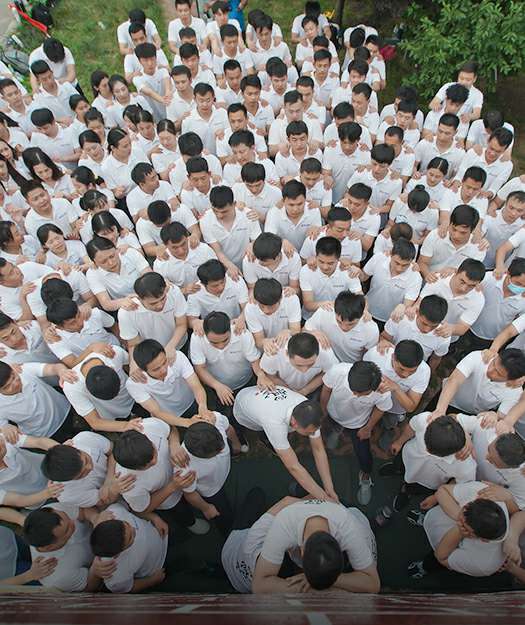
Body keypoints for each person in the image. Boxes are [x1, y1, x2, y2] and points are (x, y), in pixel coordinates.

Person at [252, 499, 380, 593]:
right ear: (301, 551)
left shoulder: (350, 529)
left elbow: (373, 584)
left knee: (366, 534)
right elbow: (258, 585)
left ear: (340, 546)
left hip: (352, 514)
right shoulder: (283, 524)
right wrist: (314, 591)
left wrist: (328, 579)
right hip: (308, 506)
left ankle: (375, 523)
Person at [233, 386, 337, 501]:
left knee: (275, 437)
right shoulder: (274, 423)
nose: (313, 434)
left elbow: (318, 449)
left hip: (259, 400)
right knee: (261, 431)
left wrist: (329, 487)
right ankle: (253, 437)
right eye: (309, 432)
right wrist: (323, 497)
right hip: (243, 410)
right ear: (294, 423)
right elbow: (293, 467)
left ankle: (271, 441)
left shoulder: (307, 408)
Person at [375, 413, 476, 527]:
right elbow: (412, 427)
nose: (425, 449)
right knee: (398, 465)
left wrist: (436, 496)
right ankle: (396, 469)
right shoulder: (427, 419)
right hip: (406, 457)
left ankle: (405, 492)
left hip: (425, 483)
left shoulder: (466, 465)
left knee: (412, 489)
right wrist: (399, 442)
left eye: (430, 450)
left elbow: (459, 484)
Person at [111, 418, 208, 536]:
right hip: (170, 500)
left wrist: (174, 444)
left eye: (154, 451)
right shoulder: (127, 484)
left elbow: (171, 429)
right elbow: (144, 509)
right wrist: (173, 486)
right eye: (148, 464)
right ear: (133, 468)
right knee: (182, 512)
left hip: (186, 474)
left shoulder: (148, 426)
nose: (154, 461)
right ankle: (191, 523)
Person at [321, 360, 392, 504]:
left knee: (364, 455)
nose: (355, 394)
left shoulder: (383, 391)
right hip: (334, 413)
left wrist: (368, 428)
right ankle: (337, 431)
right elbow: (326, 389)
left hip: (358, 424)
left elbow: (381, 409)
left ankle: (365, 477)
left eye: (361, 394)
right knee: (335, 426)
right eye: (352, 390)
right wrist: (323, 410)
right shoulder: (337, 371)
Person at [409, 482, 509, 579]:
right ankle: (426, 521)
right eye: (465, 507)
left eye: (464, 526)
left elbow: (441, 557)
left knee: (434, 561)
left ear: (483, 540)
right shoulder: (485, 493)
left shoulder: (484, 564)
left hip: (445, 546)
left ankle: (425, 567)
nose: (463, 510)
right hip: (440, 517)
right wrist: (458, 516)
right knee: (434, 519)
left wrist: (458, 531)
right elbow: (442, 490)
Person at [23, 504, 111, 592]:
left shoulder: (52, 510)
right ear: (49, 547)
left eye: (67, 516)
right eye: (67, 530)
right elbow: (89, 586)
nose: (73, 523)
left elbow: (82, 510)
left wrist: (95, 518)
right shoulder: (58, 576)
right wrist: (95, 571)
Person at [126, 338, 211, 428]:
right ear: (143, 370)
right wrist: (188, 422)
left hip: (193, 402)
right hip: (170, 418)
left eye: (164, 362)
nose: (163, 370)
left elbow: (196, 387)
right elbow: (157, 412)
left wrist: (202, 407)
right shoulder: (134, 384)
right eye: (156, 369)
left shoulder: (177, 358)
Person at [364, 340, 431, 451]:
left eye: (412, 372)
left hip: (395, 410)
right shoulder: (375, 355)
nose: (405, 374)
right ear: (393, 357)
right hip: (372, 403)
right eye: (401, 369)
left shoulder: (424, 371)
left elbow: (410, 407)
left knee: (389, 424)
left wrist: (395, 388)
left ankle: (386, 433)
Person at [89, 502, 170, 593]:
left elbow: (133, 509)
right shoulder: (114, 573)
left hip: (162, 531)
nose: (134, 529)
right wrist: (152, 580)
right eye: (131, 537)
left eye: (127, 524)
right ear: (117, 554)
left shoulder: (114, 512)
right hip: (162, 565)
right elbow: (129, 587)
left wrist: (154, 518)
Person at [429, 348, 525, 424]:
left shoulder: (515, 392)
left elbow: (501, 415)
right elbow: (454, 380)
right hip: (446, 398)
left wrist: (494, 415)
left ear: (511, 380)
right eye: (493, 363)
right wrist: (440, 410)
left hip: (471, 415)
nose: (490, 370)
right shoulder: (479, 357)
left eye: (498, 373)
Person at [41, 431, 135, 508]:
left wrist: (108, 480)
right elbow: (105, 501)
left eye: (86, 460)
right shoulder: (66, 494)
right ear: (69, 480)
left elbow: (114, 450)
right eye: (81, 474)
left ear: (74, 448)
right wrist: (113, 490)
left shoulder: (84, 438)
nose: (90, 467)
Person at [176, 416, 234, 535]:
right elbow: (189, 493)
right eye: (218, 451)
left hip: (223, 472)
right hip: (212, 491)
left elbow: (228, 428)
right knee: (224, 516)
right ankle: (228, 533)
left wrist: (236, 445)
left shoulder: (213, 419)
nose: (223, 449)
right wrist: (206, 508)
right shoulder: (184, 468)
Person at [118, 272, 188, 368]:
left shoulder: (174, 292)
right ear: (139, 298)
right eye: (153, 303)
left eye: (163, 299)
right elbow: (134, 344)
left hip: (178, 344)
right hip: (152, 357)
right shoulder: (126, 313)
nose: (160, 305)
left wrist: (170, 347)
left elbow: (181, 324)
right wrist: (134, 365)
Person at [0, 360, 75, 440]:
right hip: (47, 436)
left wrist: (61, 371)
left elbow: (54, 368)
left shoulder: (22, 370)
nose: (15, 384)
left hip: (68, 412)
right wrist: (5, 427)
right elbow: (3, 427)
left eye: (14, 377)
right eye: (7, 387)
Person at [359, 239, 422, 329]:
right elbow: (363, 277)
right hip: (366, 311)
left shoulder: (415, 277)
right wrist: (356, 271)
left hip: (391, 320)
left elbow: (408, 302)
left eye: (405, 265)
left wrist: (403, 306)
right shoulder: (379, 258)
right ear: (391, 254)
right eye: (397, 263)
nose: (399, 268)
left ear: (412, 261)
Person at [305, 291, 379, 364]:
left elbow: (368, 356)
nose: (344, 328)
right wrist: (312, 332)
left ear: (361, 315)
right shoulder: (324, 312)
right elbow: (303, 330)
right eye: (339, 321)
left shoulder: (371, 329)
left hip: (351, 366)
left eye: (350, 324)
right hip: (325, 362)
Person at [299, 236, 362, 319]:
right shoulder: (306, 271)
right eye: (321, 261)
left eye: (330, 263)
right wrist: (325, 304)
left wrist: (364, 311)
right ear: (316, 256)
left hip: (338, 318)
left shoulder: (348, 271)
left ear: (338, 259)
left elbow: (360, 296)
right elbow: (308, 304)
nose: (325, 267)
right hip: (311, 317)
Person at [260, 332, 338, 397]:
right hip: (282, 388)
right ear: (287, 353)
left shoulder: (326, 353)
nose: (304, 370)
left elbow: (327, 373)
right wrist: (290, 392)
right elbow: (271, 376)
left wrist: (305, 390)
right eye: (299, 365)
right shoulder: (273, 353)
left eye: (311, 364)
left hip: (313, 389)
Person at [382, 295, 450, 368]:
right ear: (417, 312)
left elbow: (435, 359)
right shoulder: (400, 318)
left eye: (433, 326)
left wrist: (430, 372)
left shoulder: (443, 336)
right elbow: (384, 337)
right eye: (424, 323)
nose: (427, 329)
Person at [186, 259, 248, 334]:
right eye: (215, 286)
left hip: (236, 325)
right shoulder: (195, 292)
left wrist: (241, 318)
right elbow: (191, 321)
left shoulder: (236, 281)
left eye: (223, 282)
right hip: (212, 330)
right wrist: (196, 323)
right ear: (203, 284)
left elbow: (246, 307)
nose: (221, 287)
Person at [244, 278, 302, 351]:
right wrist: (264, 342)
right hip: (267, 350)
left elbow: (296, 330)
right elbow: (258, 341)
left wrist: (289, 331)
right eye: (262, 306)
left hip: (289, 346)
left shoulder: (291, 300)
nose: (266, 311)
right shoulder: (250, 308)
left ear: (280, 299)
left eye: (271, 307)